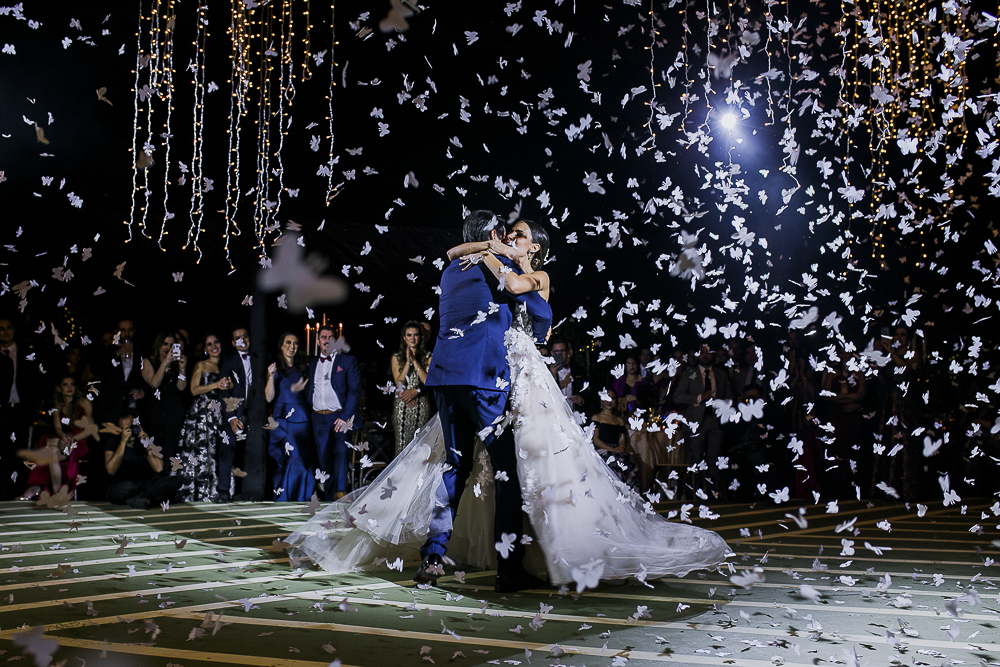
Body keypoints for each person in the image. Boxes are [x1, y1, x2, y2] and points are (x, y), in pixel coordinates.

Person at [286, 215, 729, 592]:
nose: (510, 237)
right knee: (494, 469)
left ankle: (468, 557)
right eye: (506, 233)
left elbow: (518, 292)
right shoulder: (485, 263)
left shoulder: (509, 272)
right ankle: (501, 565)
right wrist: (492, 250)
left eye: (517, 234)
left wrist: (501, 259)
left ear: (534, 245)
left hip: (491, 376)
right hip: (489, 377)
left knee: (486, 467)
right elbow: (469, 262)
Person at [174, 333, 233, 502]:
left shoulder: (226, 365)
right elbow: (193, 390)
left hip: (218, 414)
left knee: (215, 453)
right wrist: (215, 384)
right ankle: (195, 492)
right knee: (200, 452)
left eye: (216, 342)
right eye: (209, 344)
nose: (214, 346)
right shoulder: (201, 364)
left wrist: (229, 385)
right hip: (201, 413)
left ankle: (213, 491)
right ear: (205, 349)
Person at [20, 375, 97, 499]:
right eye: (65, 385)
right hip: (65, 441)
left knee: (50, 445)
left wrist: (72, 439)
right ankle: (56, 494)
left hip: (80, 441)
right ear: (59, 388)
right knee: (50, 449)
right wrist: (63, 437)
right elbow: (58, 428)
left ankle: (36, 488)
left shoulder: (84, 402)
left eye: (72, 384)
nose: (69, 387)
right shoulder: (57, 405)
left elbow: (90, 428)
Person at [672, 343, 734, 496]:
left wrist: (723, 406)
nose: (705, 355)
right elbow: (677, 396)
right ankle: (695, 493)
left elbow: (730, 396)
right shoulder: (689, 374)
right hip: (696, 422)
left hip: (715, 420)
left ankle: (717, 494)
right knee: (697, 459)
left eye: (708, 352)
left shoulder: (721, 374)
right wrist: (700, 397)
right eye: (702, 352)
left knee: (714, 459)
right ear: (697, 354)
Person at [308, 325, 361, 500]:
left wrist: (345, 416)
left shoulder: (347, 361)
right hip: (318, 417)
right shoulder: (312, 363)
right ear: (317, 341)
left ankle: (340, 492)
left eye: (331, 337)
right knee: (323, 456)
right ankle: (330, 494)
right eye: (323, 337)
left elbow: (355, 391)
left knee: (340, 451)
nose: (327, 340)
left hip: (340, 416)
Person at [265, 333, 314, 501]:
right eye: (288, 342)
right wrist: (271, 377)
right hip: (284, 421)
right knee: (292, 457)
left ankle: (301, 497)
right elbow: (269, 397)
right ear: (281, 345)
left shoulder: (302, 369)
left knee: (301, 458)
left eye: (295, 343)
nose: (292, 346)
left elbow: (308, 396)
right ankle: (286, 498)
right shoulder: (275, 368)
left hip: (302, 420)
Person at [104, 412, 182, 509]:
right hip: (124, 486)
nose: (130, 431)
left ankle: (142, 498)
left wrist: (147, 445)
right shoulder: (113, 441)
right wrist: (123, 442)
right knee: (122, 489)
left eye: (131, 427)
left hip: (145, 485)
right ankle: (148, 498)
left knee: (175, 480)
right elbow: (111, 470)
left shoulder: (143, 441)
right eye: (125, 428)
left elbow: (158, 468)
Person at [140, 332, 189, 461]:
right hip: (157, 412)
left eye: (172, 345)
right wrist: (165, 363)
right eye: (165, 344)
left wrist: (182, 370)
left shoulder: (175, 364)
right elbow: (154, 383)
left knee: (172, 450)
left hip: (174, 411)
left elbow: (181, 387)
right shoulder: (148, 361)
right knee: (157, 451)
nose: (168, 348)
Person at [218, 326, 253, 501]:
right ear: (232, 342)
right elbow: (224, 391)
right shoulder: (228, 360)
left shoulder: (259, 357)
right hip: (234, 411)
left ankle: (247, 492)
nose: (241, 340)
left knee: (250, 452)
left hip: (255, 413)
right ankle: (223, 490)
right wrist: (232, 417)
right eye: (237, 337)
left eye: (244, 336)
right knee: (227, 446)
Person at [390, 321, 433, 456]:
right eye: (409, 335)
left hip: (421, 405)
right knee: (402, 444)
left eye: (415, 335)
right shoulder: (396, 357)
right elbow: (399, 382)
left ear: (420, 337)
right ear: (404, 337)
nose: (412, 338)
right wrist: (408, 363)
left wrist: (415, 362)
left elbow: (427, 381)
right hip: (402, 406)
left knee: (420, 445)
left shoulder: (428, 357)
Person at [590, 387, 639, 489]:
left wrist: (621, 446)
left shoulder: (619, 420)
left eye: (612, 398)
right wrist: (612, 449)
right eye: (607, 398)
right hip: (602, 450)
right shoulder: (596, 418)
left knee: (630, 462)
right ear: (602, 400)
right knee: (615, 462)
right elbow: (595, 439)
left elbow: (622, 438)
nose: (609, 401)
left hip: (617, 450)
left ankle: (629, 497)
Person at [549, 336, 587, 416]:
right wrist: (553, 376)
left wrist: (581, 400)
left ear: (568, 352)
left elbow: (588, 393)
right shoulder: (545, 371)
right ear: (552, 353)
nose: (560, 354)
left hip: (574, 415)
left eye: (563, 351)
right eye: (556, 351)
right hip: (554, 415)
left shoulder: (578, 370)